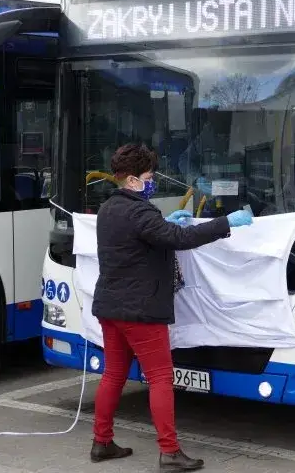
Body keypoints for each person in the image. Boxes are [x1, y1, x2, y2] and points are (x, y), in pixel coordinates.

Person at [89, 143, 253, 471]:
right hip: (140, 310)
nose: (153, 182)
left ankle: (101, 441)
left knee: (113, 374)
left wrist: (169, 221)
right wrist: (226, 222)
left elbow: (149, 236)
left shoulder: (109, 208)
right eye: (149, 177)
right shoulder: (140, 211)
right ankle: (169, 452)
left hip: (110, 307)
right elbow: (179, 240)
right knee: (161, 377)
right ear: (133, 180)